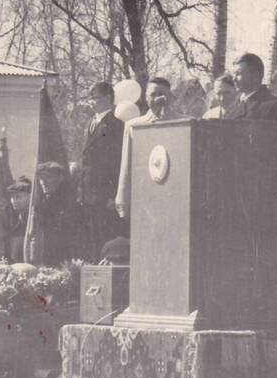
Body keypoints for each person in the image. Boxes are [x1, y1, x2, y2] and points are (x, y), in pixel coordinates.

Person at [115, 76, 173, 221]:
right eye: (153, 94)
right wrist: (122, 199)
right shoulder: (134, 125)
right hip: (144, 193)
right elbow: (126, 164)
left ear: (170, 96)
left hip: (172, 193)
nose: (158, 98)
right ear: (146, 97)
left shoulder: (184, 122)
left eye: (162, 94)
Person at [79, 81, 126, 255]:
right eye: (90, 98)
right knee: (90, 238)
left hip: (104, 194)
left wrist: (113, 194)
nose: (91, 102)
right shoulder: (90, 122)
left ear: (107, 98)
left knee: (104, 237)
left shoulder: (116, 124)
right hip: (88, 192)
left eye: (95, 98)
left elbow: (118, 162)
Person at [33, 161, 89, 265]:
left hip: (65, 258)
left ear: (60, 178)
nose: (43, 182)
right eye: (41, 178)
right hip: (45, 256)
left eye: (48, 177)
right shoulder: (41, 203)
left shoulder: (70, 204)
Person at [223, 54, 277, 121]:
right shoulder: (232, 107)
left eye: (238, 73)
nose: (233, 79)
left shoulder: (273, 106)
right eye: (234, 74)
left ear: (256, 76)